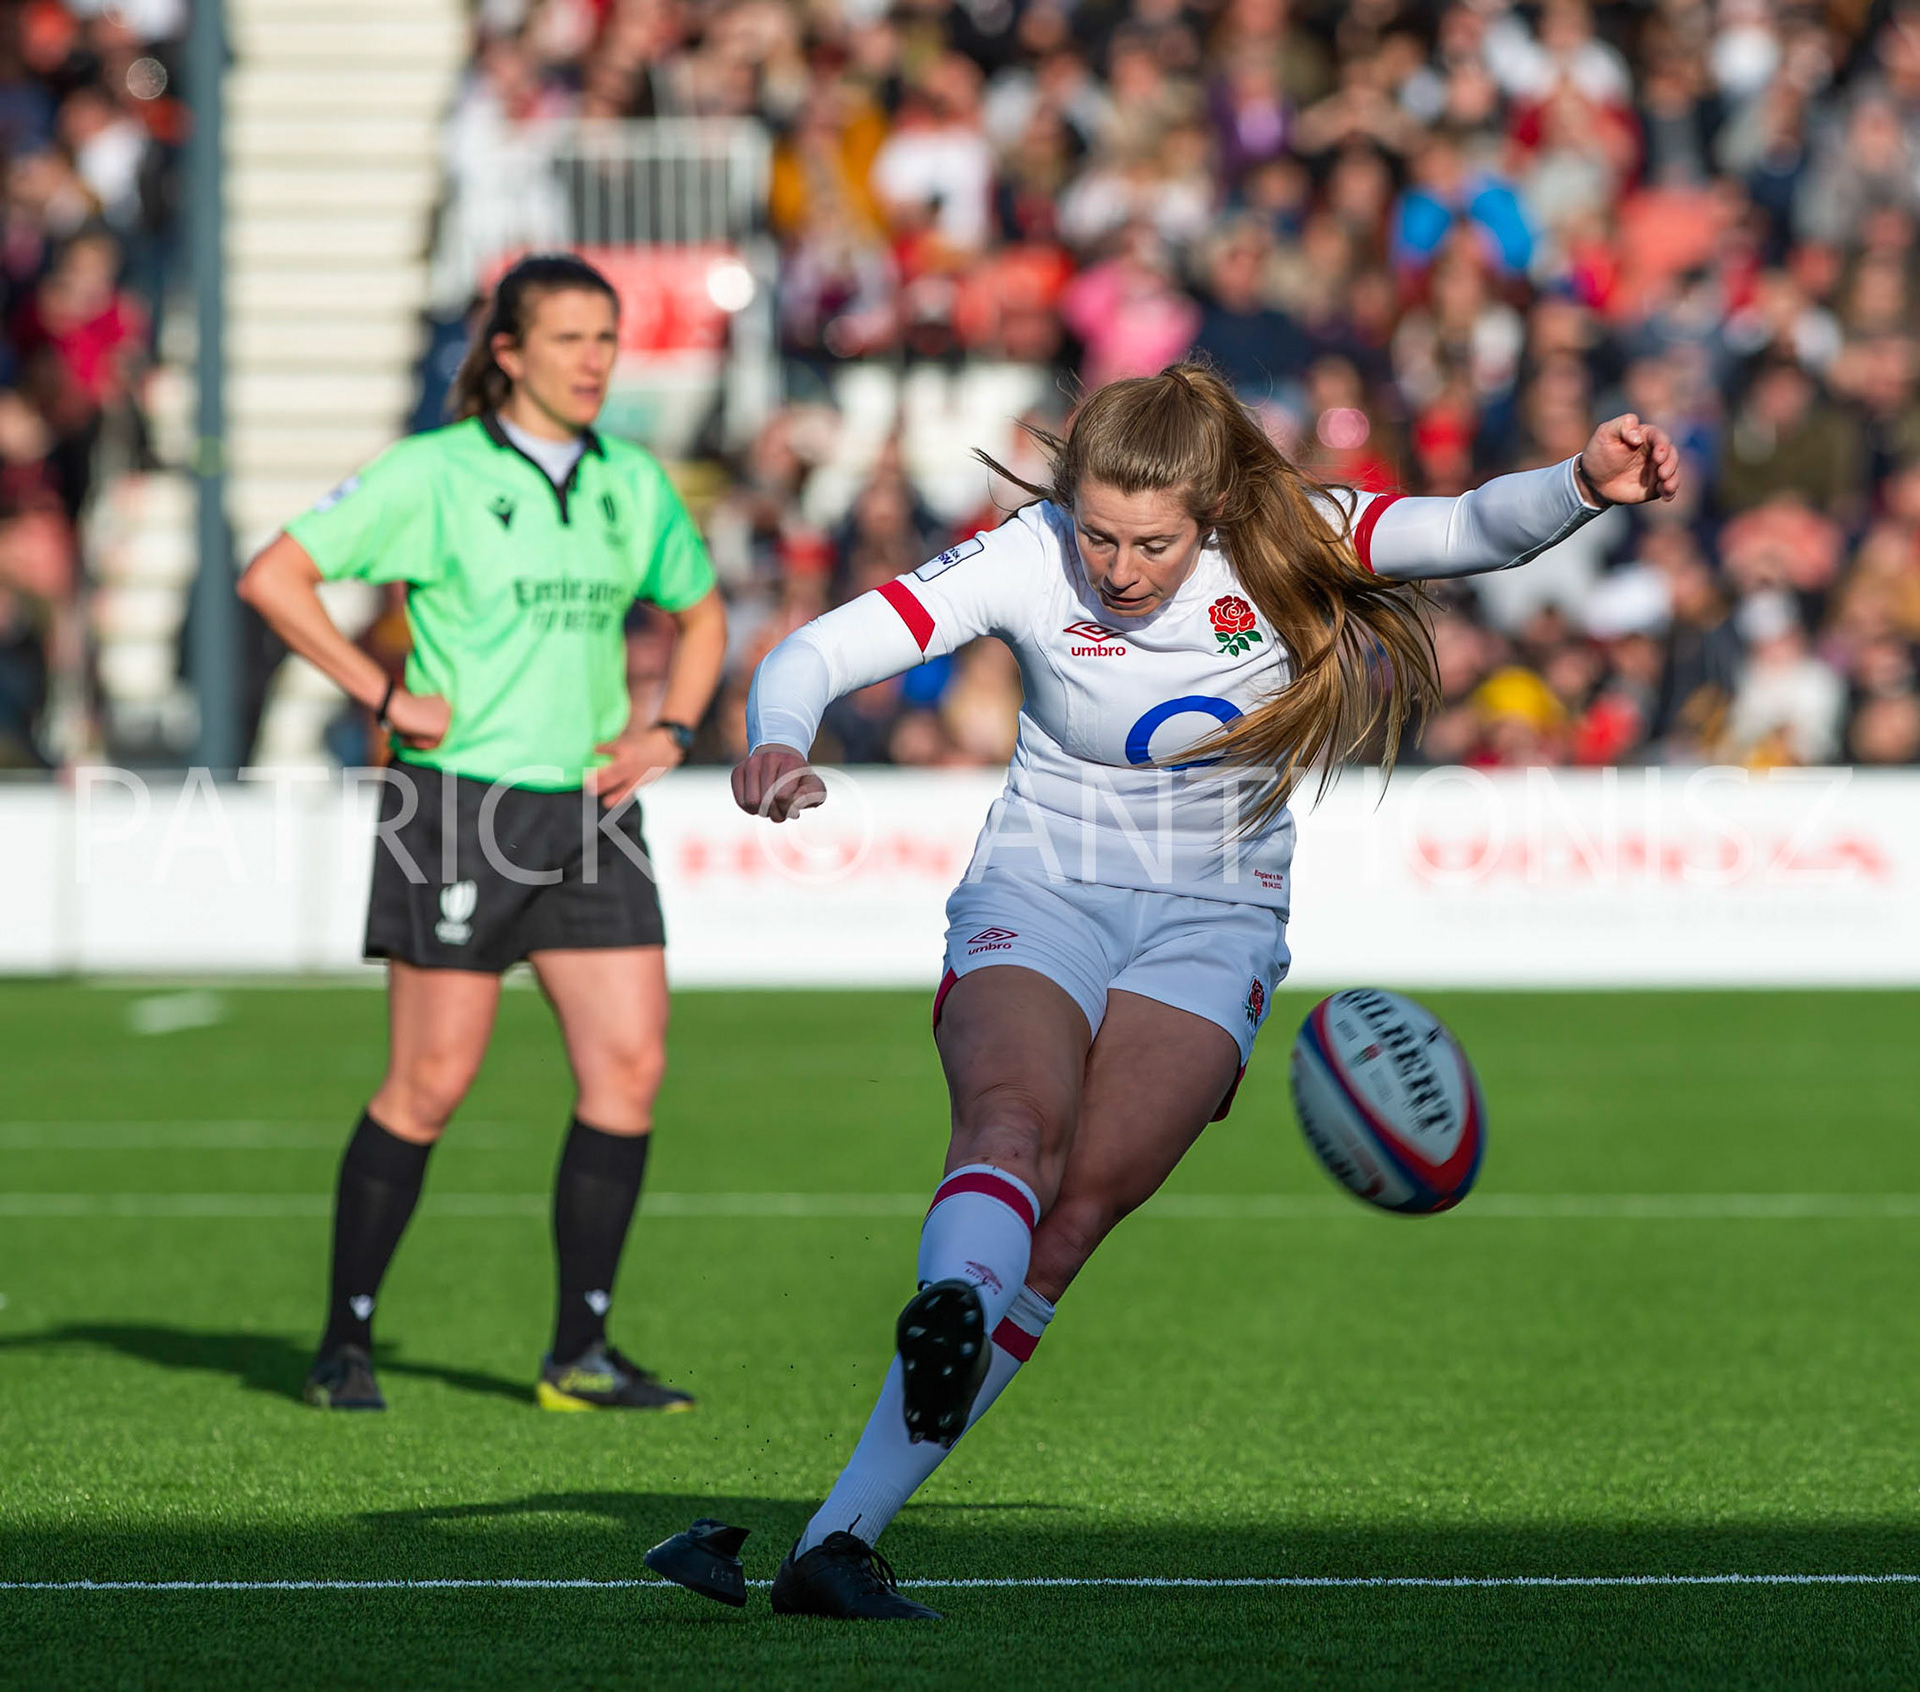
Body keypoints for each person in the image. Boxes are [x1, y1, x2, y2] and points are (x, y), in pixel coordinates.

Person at [729, 361, 1678, 1617]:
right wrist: (778, 733)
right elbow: (824, 644)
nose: (1118, 569)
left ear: (1216, 512)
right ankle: (950, 1302)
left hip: (1217, 917)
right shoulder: (1030, 551)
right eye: (1101, 536)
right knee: (1013, 1126)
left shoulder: (1295, 534)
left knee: (1068, 1226)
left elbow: (1465, 530)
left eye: (1153, 544)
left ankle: (836, 1544)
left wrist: (1582, 485)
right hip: (1042, 881)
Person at [238, 254, 727, 1414]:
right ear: (507, 351)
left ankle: (581, 1355)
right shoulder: (435, 472)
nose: (596, 360)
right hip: (455, 805)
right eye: (569, 338)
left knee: (630, 1071)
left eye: (607, 338)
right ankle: (344, 1341)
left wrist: (669, 730)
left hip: (595, 805)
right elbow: (277, 576)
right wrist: (381, 690)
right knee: (430, 1083)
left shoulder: (631, 482)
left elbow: (701, 612)